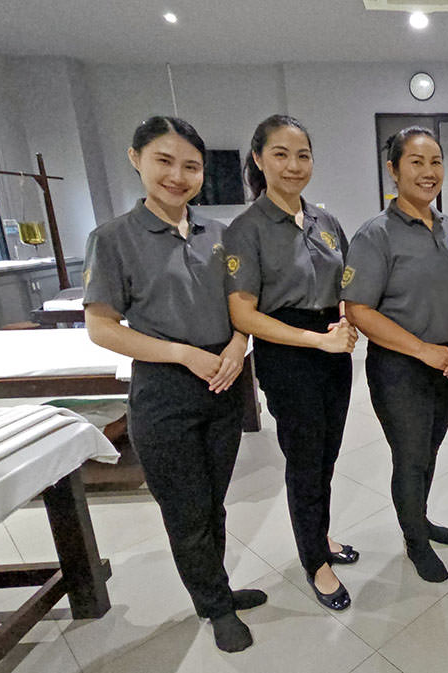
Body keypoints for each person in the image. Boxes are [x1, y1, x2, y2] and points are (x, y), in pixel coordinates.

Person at [83, 116, 265, 652]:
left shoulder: (220, 234)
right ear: (136, 159)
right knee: (185, 508)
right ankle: (215, 607)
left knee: (214, 500)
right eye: (164, 161)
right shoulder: (113, 238)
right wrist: (183, 354)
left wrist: (236, 347)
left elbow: (242, 308)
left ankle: (219, 588)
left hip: (224, 380)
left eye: (191, 166)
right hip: (164, 388)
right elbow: (101, 327)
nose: (178, 176)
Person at [224, 115, 358, 611]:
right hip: (288, 355)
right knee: (304, 460)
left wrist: (344, 322)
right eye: (280, 154)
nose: (293, 165)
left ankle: (319, 536)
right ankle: (313, 560)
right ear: (258, 160)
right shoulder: (246, 229)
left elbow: (343, 285)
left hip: (331, 352)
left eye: (302, 155)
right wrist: (315, 341)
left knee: (327, 455)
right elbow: (244, 312)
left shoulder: (325, 221)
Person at [342, 127, 448, 583]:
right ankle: (415, 541)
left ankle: (420, 518)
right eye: (416, 162)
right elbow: (358, 308)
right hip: (401, 368)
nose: (428, 171)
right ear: (393, 170)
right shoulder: (375, 235)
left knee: (431, 450)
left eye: (436, 161)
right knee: (411, 456)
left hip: (447, 365)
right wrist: (423, 350)